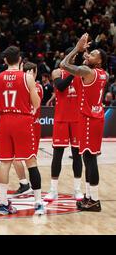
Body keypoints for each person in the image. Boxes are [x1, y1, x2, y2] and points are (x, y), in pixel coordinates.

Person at [60, 33, 108, 212]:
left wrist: (77, 49)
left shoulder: (88, 71)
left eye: (93, 54)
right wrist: (85, 56)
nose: (89, 54)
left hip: (89, 119)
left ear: (100, 61)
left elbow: (64, 65)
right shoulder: (104, 74)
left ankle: (94, 200)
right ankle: (88, 196)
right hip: (96, 117)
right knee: (88, 158)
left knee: (89, 158)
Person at [0, 46, 43, 215]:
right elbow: (36, 104)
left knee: (5, 162)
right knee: (31, 161)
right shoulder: (27, 77)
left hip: (5, 120)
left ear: (6, 60)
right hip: (22, 119)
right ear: (20, 60)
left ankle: (2, 204)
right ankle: (38, 203)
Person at [45, 48, 84, 201]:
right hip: (61, 119)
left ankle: (77, 189)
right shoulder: (57, 72)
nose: (74, 60)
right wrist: (73, 72)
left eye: (76, 58)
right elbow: (61, 86)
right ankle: (53, 190)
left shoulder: (82, 73)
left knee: (76, 155)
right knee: (58, 155)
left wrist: (81, 50)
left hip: (76, 119)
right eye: (72, 57)